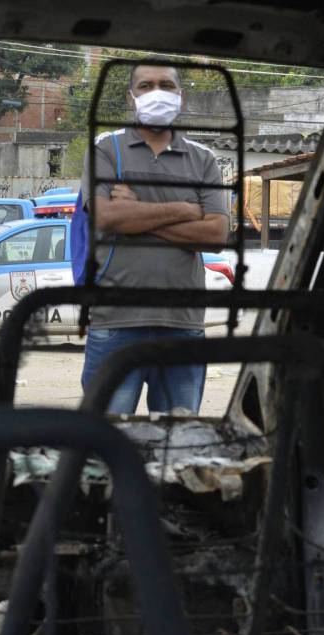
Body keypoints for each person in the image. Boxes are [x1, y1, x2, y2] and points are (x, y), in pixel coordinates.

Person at [78, 63, 230, 414]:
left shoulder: (203, 159)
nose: (156, 92)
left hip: (183, 323)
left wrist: (138, 214)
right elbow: (107, 216)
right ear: (131, 97)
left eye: (166, 85)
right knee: (107, 440)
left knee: (175, 441)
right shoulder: (106, 149)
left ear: (180, 95)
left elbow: (216, 234)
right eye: (146, 85)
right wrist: (186, 209)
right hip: (116, 321)